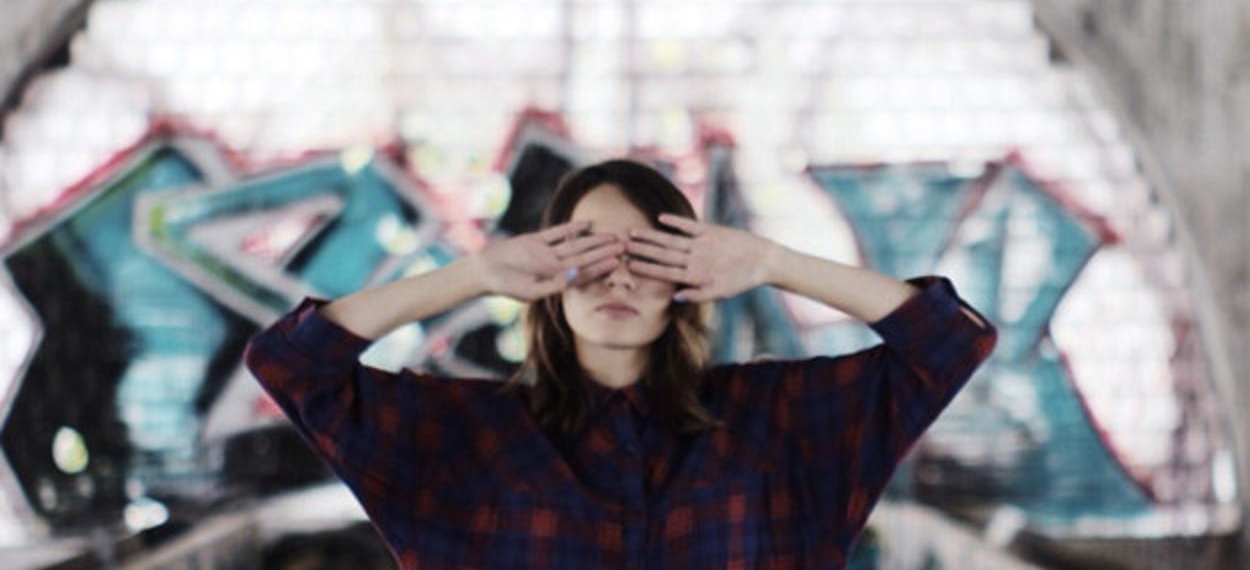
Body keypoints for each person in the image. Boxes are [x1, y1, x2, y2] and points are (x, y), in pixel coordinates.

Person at [244, 158, 996, 569]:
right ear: (547, 274)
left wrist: (773, 262)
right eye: (591, 254)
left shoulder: (779, 422)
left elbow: (949, 342)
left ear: (688, 276)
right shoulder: (465, 436)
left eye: (647, 254)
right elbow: (290, 365)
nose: (620, 279)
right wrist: (472, 275)